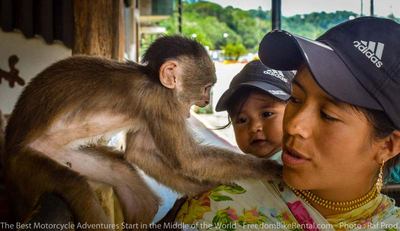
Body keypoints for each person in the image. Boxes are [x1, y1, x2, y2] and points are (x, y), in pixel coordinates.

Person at [176, 17, 400, 230]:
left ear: (388, 145)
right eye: (295, 98)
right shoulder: (220, 211)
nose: (293, 126)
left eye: (327, 114)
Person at [215, 60, 294, 159]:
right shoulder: (243, 169)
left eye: (267, 114)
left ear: (295, 113)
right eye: (242, 120)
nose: (254, 127)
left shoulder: (298, 166)